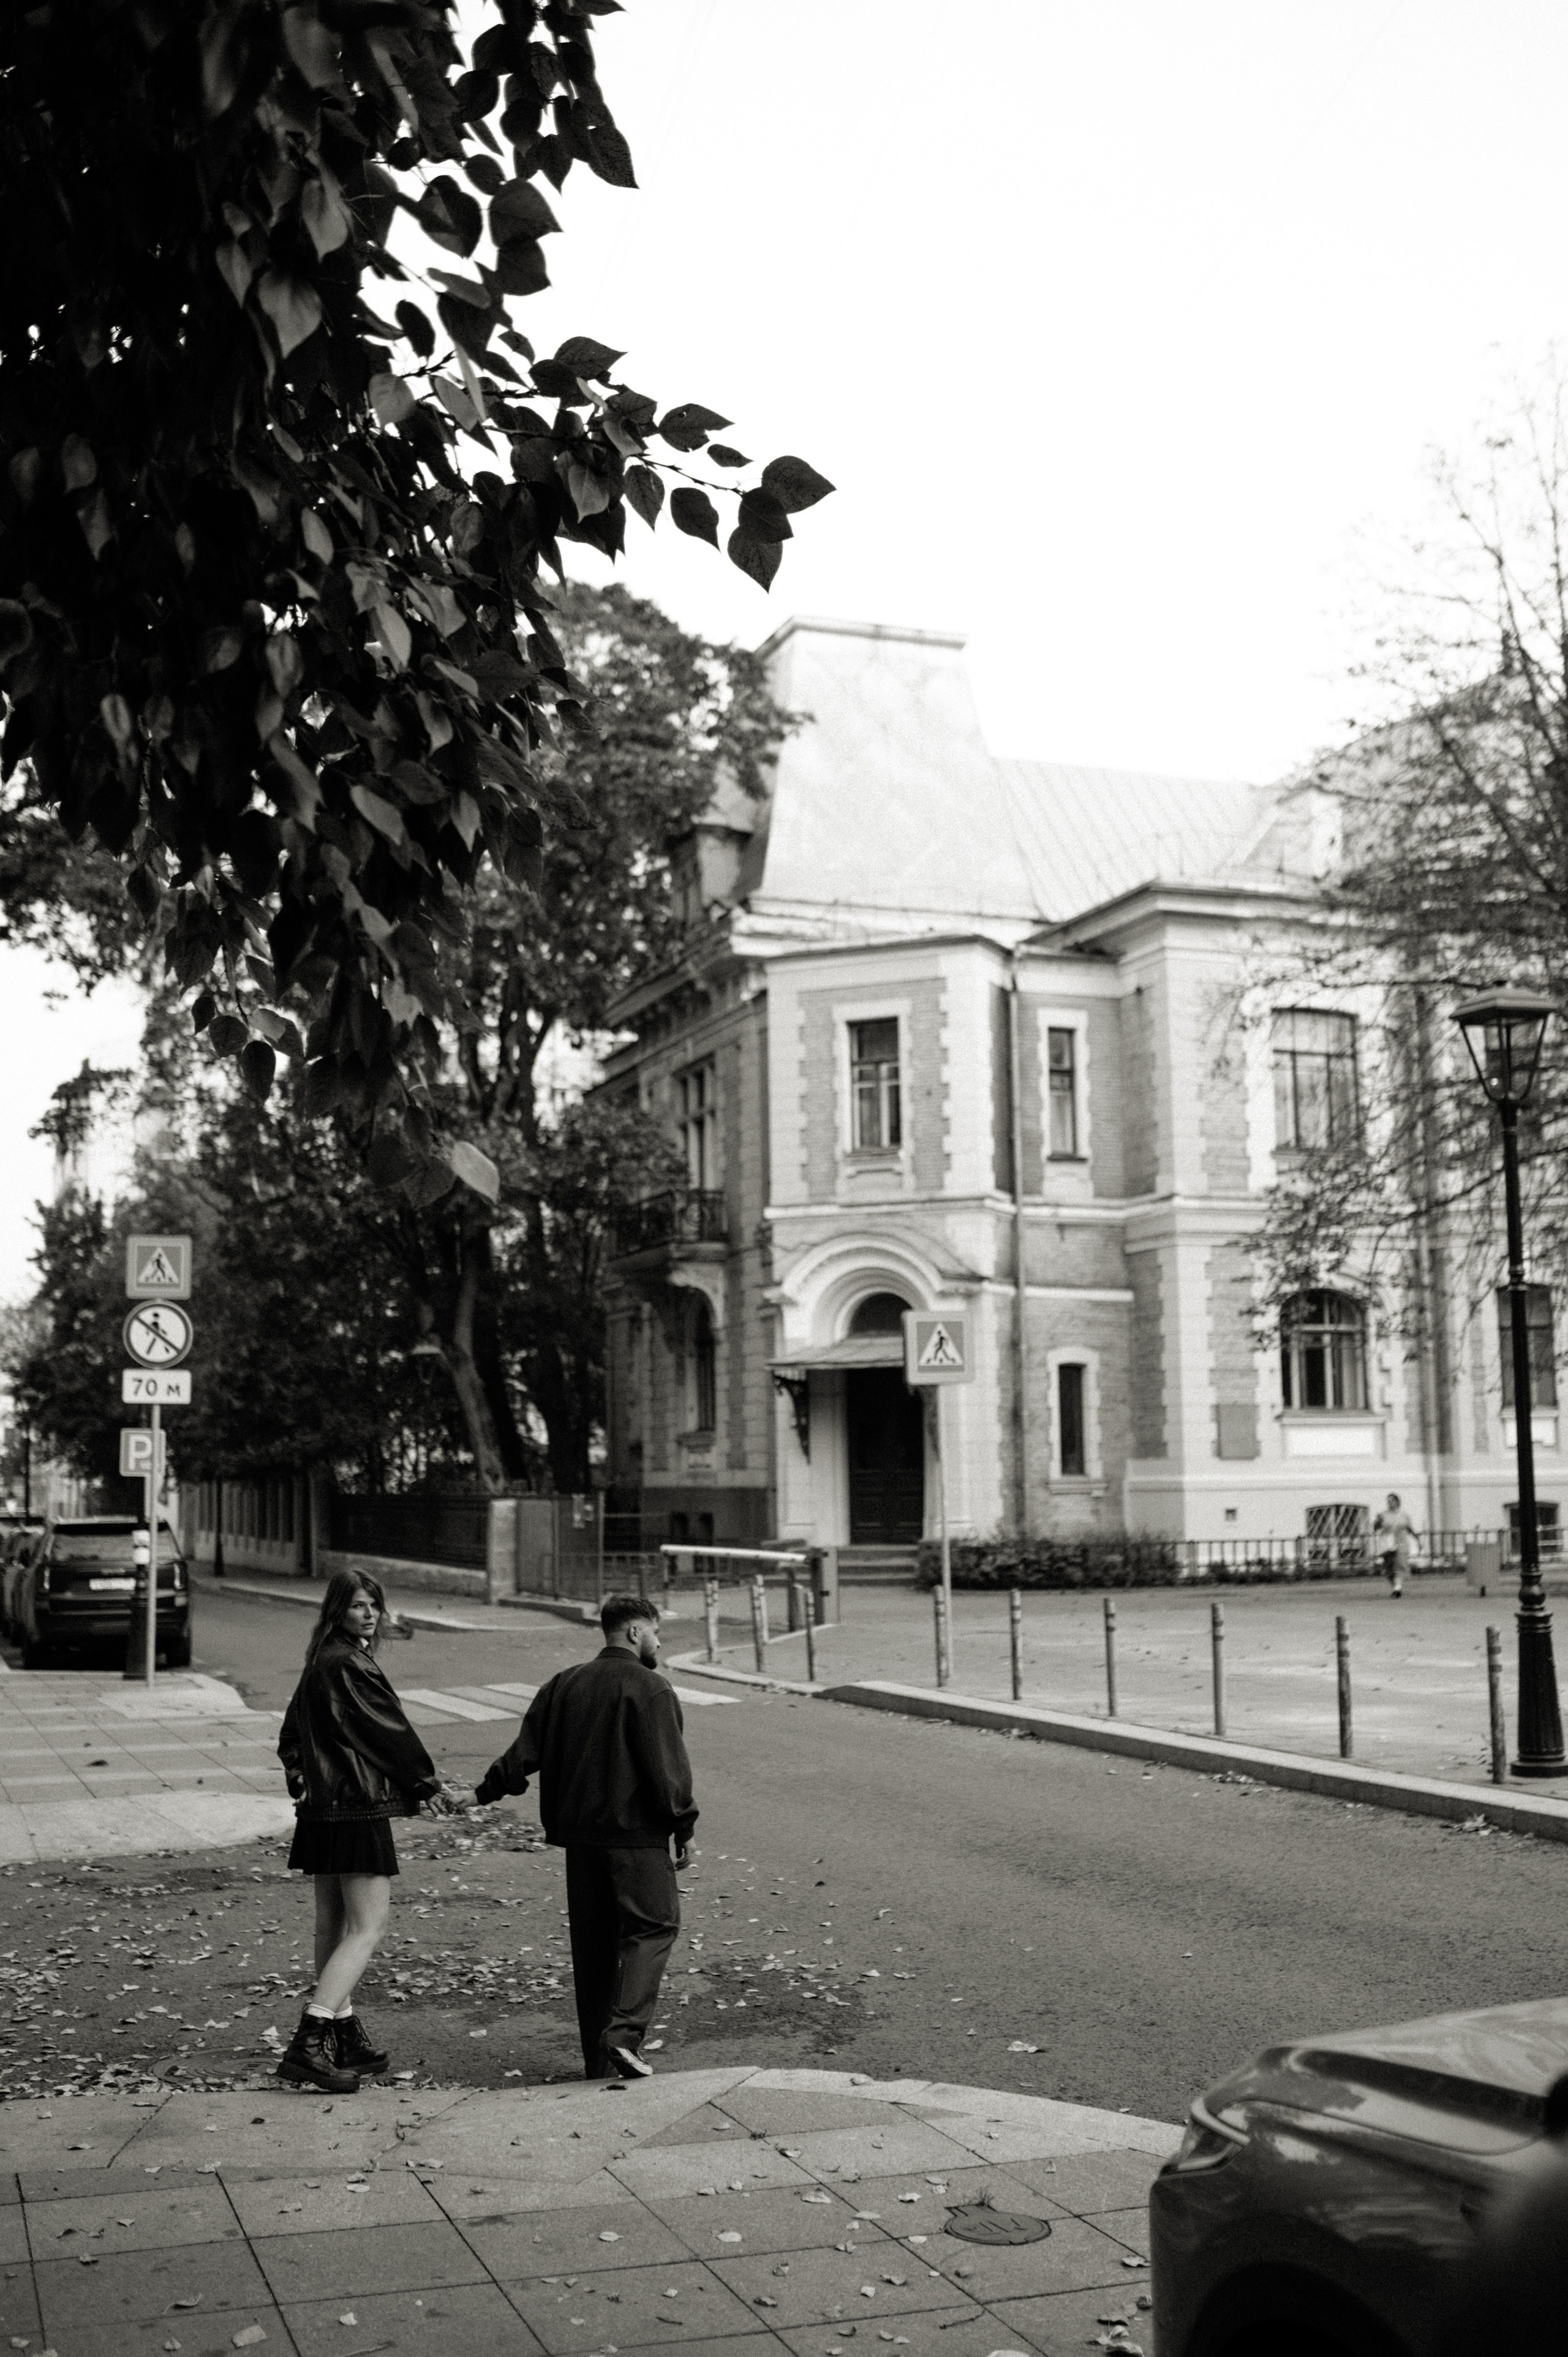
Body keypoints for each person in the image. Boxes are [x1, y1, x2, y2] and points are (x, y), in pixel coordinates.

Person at [473, 1591, 697, 2081]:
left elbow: (523, 1754)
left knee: (594, 1949)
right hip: (635, 1839)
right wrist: (683, 1827)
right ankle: (623, 2035)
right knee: (654, 1928)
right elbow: (667, 1773)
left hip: (579, 1842)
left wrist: (480, 1795)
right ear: (636, 1632)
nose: (659, 1642)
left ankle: (596, 2062)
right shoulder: (651, 1688)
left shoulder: (563, 1685)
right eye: (656, 1632)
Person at [276, 1569, 448, 2092]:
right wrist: (424, 1784)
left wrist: (301, 1775)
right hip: (354, 1808)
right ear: (337, 1611)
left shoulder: (321, 1661)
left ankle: (345, 2034)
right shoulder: (349, 1663)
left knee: (332, 1926)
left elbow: (290, 1734)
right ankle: (310, 2042)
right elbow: (387, 1729)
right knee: (366, 1928)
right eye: (357, 1606)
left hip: (324, 1811)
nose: (370, 1614)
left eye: (374, 1604)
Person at [1372, 1492, 1417, 1596]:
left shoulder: (1404, 1516)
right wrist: (1377, 1522)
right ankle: (1395, 1587)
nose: (1389, 1504)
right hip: (1387, 1545)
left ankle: (1398, 1588)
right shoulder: (1383, 1515)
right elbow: (1376, 1529)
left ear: (1397, 1502)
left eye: (1392, 1501)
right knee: (1389, 1569)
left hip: (1401, 1544)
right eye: (1388, 1502)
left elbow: (1409, 1529)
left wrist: (1417, 1540)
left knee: (1400, 1566)